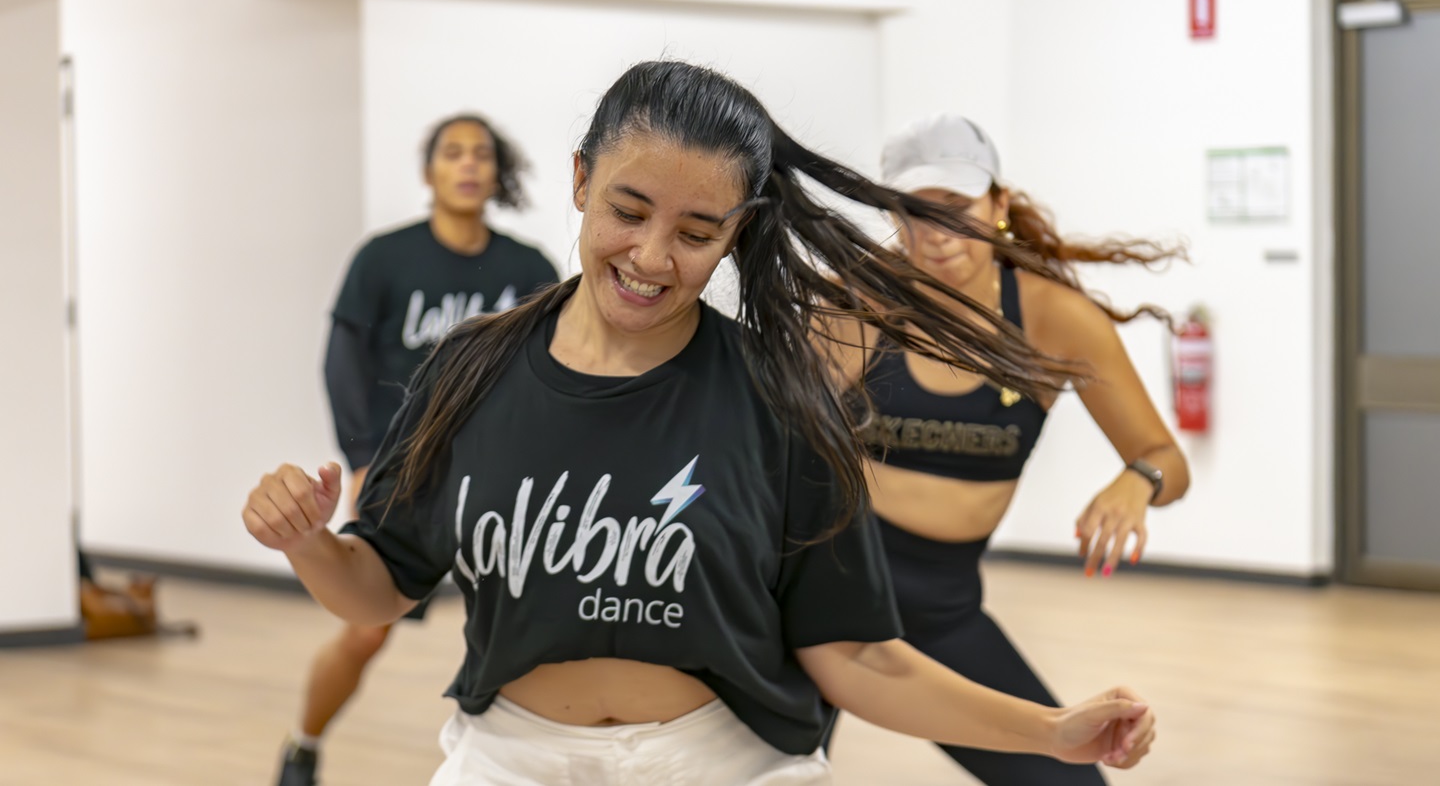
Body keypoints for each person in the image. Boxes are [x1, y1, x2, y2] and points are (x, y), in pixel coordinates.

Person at [245, 62, 1156, 786]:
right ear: (580, 180)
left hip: (722, 762)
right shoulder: (470, 368)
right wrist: (309, 542)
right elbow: (379, 589)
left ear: (738, 231)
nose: (651, 257)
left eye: (695, 232)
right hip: (508, 759)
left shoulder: (781, 398)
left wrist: (1051, 732)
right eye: (628, 211)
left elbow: (858, 658)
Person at [819, 113, 1190, 785]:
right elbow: (764, 446)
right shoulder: (857, 302)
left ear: (998, 205)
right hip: (827, 589)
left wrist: (1136, 479)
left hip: (943, 610)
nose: (937, 234)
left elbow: (1167, 457)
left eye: (956, 208)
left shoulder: (1052, 319)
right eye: (915, 212)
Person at [275, 113, 558, 786]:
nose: (468, 164)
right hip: (407, 475)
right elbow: (342, 366)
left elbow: (552, 373)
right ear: (429, 171)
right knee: (366, 629)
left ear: (497, 172)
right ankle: (303, 745)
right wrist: (363, 460)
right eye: (452, 153)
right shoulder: (383, 259)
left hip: (502, 476)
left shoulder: (529, 269)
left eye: (481, 153)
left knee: (529, 623)